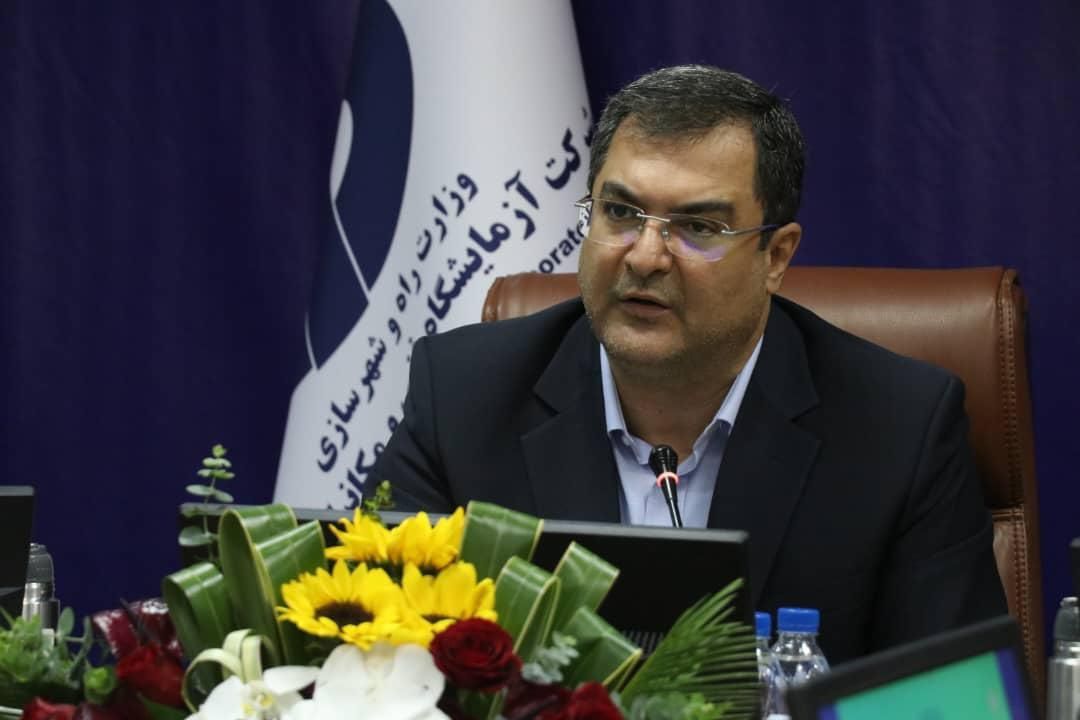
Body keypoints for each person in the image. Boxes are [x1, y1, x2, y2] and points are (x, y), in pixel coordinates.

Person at [366, 65, 1007, 662]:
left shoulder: (898, 429)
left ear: (776, 257)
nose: (645, 257)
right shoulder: (463, 397)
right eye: (621, 213)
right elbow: (372, 662)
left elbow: (950, 696)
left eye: (697, 227)